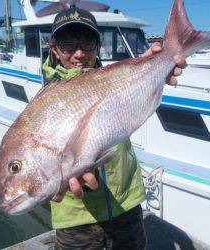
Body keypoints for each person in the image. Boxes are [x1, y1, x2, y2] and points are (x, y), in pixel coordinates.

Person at [43, 6, 186, 250]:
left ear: (98, 46)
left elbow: (135, 86)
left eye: (87, 43)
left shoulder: (114, 78)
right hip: (77, 220)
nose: (78, 54)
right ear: (55, 50)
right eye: (68, 44)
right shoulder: (47, 102)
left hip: (126, 205)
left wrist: (158, 65)